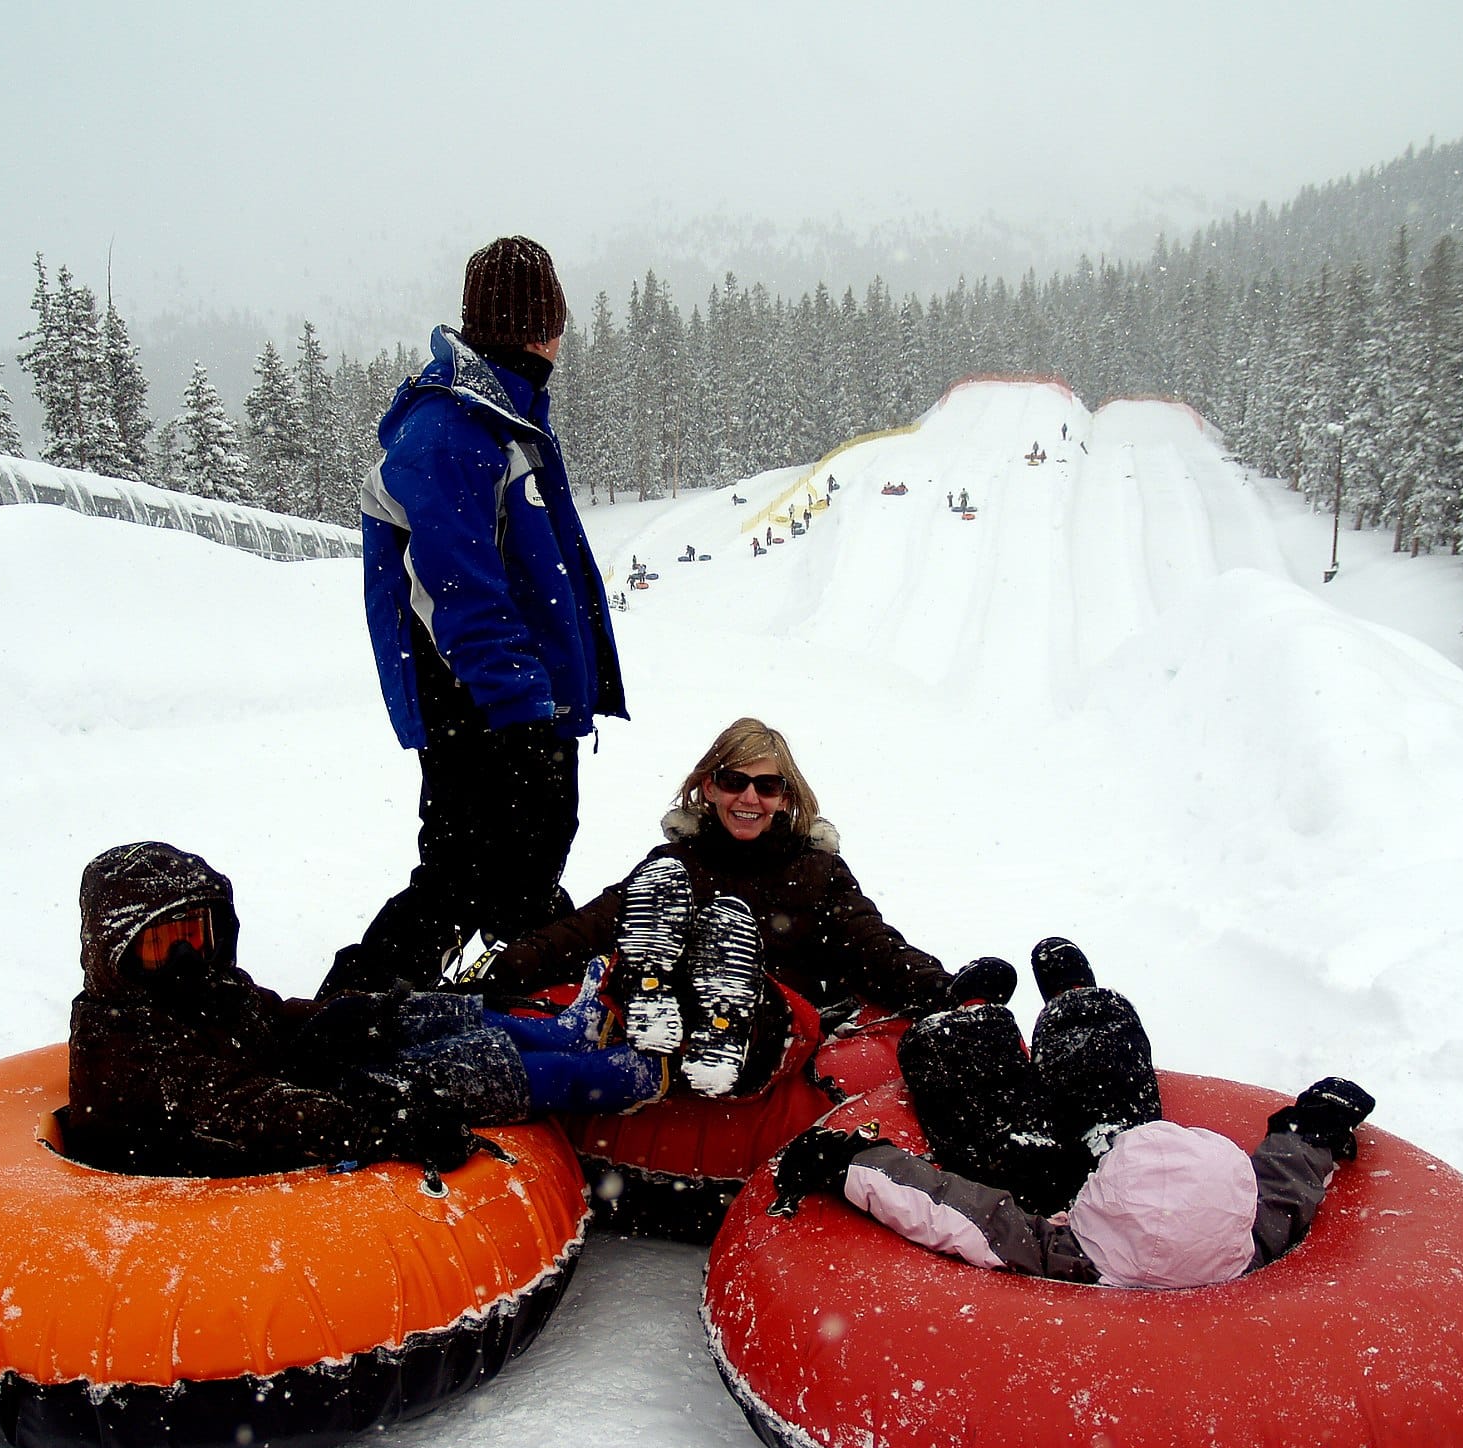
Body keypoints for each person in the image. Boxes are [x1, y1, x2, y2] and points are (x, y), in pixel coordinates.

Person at [324, 236, 626, 995]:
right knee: (462, 876)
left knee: (527, 865)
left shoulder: (502, 416)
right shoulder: (450, 429)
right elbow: (454, 588)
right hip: (480, 704)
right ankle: (356, 1010)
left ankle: (521, 993)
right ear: (538, 327)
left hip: (519, 698)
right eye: (554, 318)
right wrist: (519, 708)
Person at [769, 938, 1374, 1289]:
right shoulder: (1252, 1247)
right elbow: (1286, 1183)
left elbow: (955, 1208)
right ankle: (1077, 1007)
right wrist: (1315, 1126)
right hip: (1108, 1168)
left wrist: (852, 1161)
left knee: (990, 1132)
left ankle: (969, 1016)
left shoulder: (1063, 1259)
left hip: (1045, 1184)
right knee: (1110, 1096)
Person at [63, 842, 666, 1179]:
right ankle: (618, 1075)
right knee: (448, 1074)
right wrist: (382, 1122)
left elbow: (269, 1017)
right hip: (244, 1137)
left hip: (282, 1079)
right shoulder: (127, 1044)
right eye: (160, 945)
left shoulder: (207, 990)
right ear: (115, 955)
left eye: (196, 935)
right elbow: (247, 1113)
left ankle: (564, 1032)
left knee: (407, 1015)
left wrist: (354, 1014)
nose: (186, 958)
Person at [481, 718, 991, 1099]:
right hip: (667, 1021)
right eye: (733, 781)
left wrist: (950, 992)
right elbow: (591, 925)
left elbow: (873, 946)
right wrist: (508, 966)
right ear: (708, 787)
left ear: (786, 797)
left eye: (767, 786)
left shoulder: (815, 872)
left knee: (754, 985)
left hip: (773, 1023)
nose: (749, 797)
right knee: (644, 944)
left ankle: (724, 1013)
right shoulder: (674, 866)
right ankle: (660, 994)